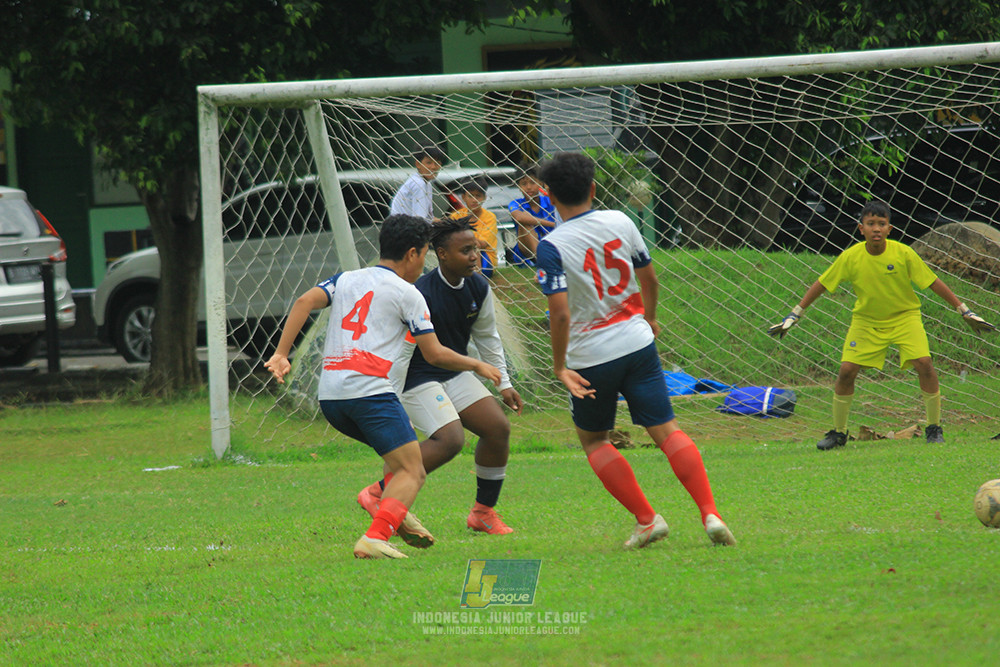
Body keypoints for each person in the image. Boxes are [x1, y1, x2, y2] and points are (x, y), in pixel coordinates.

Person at [263, 214, 502, 560]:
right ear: (412, 254)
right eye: (423, 255)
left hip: (331, 397)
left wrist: (282, 354)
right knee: (412, 469)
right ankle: (376, 535)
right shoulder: (410, 293)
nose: (424, 263)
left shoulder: (346, 279)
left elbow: (303, 302)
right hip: (371, 393)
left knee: (400, 458)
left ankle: (395, 510)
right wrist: (477, 363)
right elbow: (433, 354)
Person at [534, 152, 736, 549]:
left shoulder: (551, 246)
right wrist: (651, 318)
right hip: (637, 343)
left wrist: (559, 367)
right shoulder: (621, 221)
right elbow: (650, 278)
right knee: (666, 430)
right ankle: (710, 513)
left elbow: (559, 315)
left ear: (549, 196)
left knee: (595, 440)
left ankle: (647, 520)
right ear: (593, 188)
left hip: (591, 357)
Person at [767, 199, 995, 450]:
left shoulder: (903, 253)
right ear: (861, 228)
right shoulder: (850, 257)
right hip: (866, 321)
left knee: (925, 364)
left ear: (889, 229)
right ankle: (838, 433)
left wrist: (964, 310)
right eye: (871, 223)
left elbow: (932, 282)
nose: (876, 228)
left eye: (882, 224)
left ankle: (934, 427)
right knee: (846, 370)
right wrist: (795, 314)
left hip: (905, 317)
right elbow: (822, 283)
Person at [357, 217, 525, 536]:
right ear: (442, 254)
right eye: (465, 250)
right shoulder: (419, 293)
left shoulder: (478, 286)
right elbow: (400, 352)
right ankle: (377, 492)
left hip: (452, 372)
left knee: (497, 427)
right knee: (450, 440)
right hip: (415, 376)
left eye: (476, 249)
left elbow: (488, 336)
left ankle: (483, 513)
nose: (474, 256)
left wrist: (503, 383)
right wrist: (390, 398)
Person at [507, 162, 557, 267]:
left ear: (540, 183)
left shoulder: (550, 201)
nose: (529, 187)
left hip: (552, 243)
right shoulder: (516, 203)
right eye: (524, 184)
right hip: (526, 250)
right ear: (519, 186)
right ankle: (542, 262)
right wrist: (552, 224)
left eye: (532, 182)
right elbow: (519, 217)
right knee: (524, 220)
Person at [449, 177, 499, 278]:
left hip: (485, 259)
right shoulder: (456, 216)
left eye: (478, 196)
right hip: (461, 253)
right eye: (470, 196)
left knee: (474, 245)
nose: (474, 200)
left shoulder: (490, 217)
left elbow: (482, 244)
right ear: (463, 197)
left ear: (484, 197)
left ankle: (476, 279)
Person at [390, 146, 447, 221]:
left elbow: (428, 218)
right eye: (428, 163)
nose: (433, 167)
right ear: (418, 164)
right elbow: (419, 220)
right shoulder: (418, 183)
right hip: (404, 229)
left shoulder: (427, 183)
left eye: (437, 163)